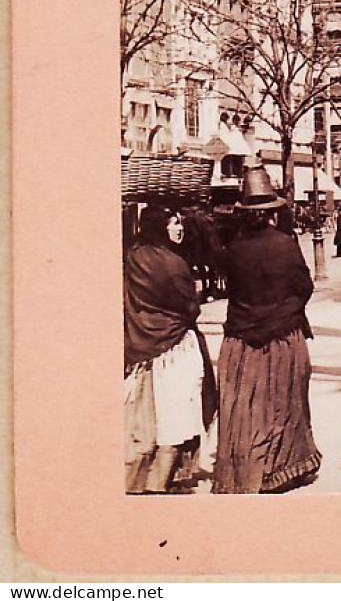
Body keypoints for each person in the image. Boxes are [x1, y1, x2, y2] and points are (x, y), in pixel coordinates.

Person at [214, 168, 322, 493]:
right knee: (285, 402)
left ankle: (248, 468)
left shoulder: (232, 248)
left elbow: (231, 289)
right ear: (273, 211)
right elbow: (305, 286)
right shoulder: (285, 244)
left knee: (246, 408)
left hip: (241, 340)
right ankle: (282, 467)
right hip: (282, 335)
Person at [125, 205, 217, 494]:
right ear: (159, 227)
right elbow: (190, 307)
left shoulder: (132, 257)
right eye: (173, 223)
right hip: (173, 349)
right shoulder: (173, 262)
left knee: (144, 421)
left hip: (139, 348)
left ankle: (141, 481)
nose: (180, 228)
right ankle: (160, 483)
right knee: (177, 416)